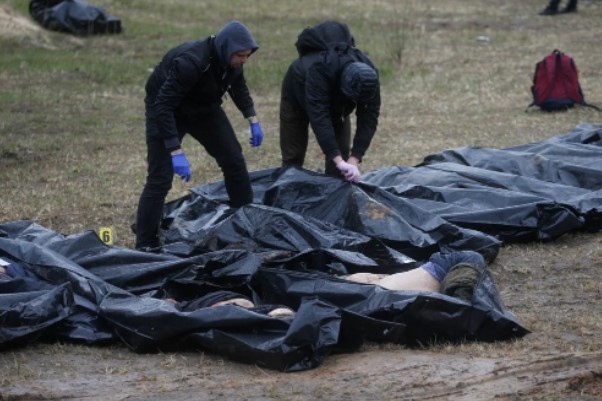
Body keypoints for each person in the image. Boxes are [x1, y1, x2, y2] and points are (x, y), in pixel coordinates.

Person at [134, 21, 265, 252]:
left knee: (233, 160)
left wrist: (252, 119)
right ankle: (146, 243)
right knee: (160, 178)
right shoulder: (191, 61)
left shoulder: (232, 61)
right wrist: (175, 150)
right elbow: (163, 105)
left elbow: (239, 87)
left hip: (204, 107)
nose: (244, 60)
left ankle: (243, 223)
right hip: (166, 109)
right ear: (226, 48)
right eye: (241, 55)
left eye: (247, 56)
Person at [279, 20, 381, 183]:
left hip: (336, 104)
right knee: (293, 157)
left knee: (340, 165)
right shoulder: (321, 71)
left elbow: (369, 119)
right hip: (296, 95)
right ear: (344, 89)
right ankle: (287, 193)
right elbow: (319, 118)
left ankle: (334, 202)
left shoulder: (369, 76)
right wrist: (338, 160)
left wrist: (353, 160)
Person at [345, 250, 486, 301]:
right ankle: (462, 302)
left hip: (434, 271)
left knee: (475, 258)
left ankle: (462, 302)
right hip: (435, 274)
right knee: (475, 258)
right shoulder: (368, 296)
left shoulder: (364, 288)